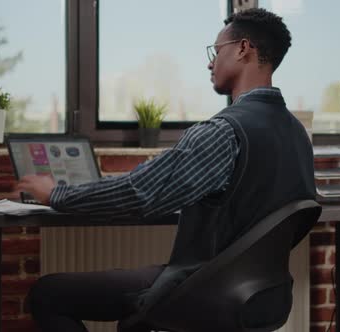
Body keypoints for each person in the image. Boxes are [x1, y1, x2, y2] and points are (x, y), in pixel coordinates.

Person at [19, 8, 315, 332]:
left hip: (203, 290)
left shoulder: (224, 131)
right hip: (264, 295)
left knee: (47, 294)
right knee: (133, 322)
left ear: (244, 49)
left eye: (215, 51)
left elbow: (138, 192)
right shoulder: (298, 134)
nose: (209, 62)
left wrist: (56, 193)